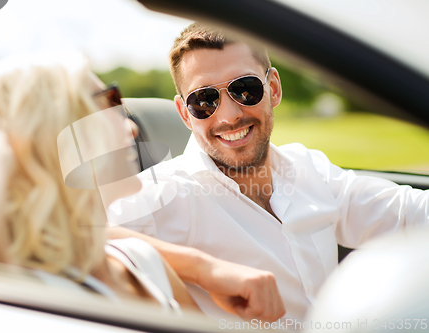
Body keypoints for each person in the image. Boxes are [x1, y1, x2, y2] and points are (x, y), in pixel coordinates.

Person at [107, 22, 429, 325]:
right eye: (204, 100)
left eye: (245, 89)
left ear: (273, 88)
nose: (230, 116)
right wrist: (207, 271)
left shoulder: (308, 167)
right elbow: (76, 234)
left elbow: (409, 214)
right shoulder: (167, 192)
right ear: (184, 114)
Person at [0, 52, 200, 314]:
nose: (132, 127)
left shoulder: (143, 259)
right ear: (49, 134)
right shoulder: (21, 286)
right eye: (109, 100)